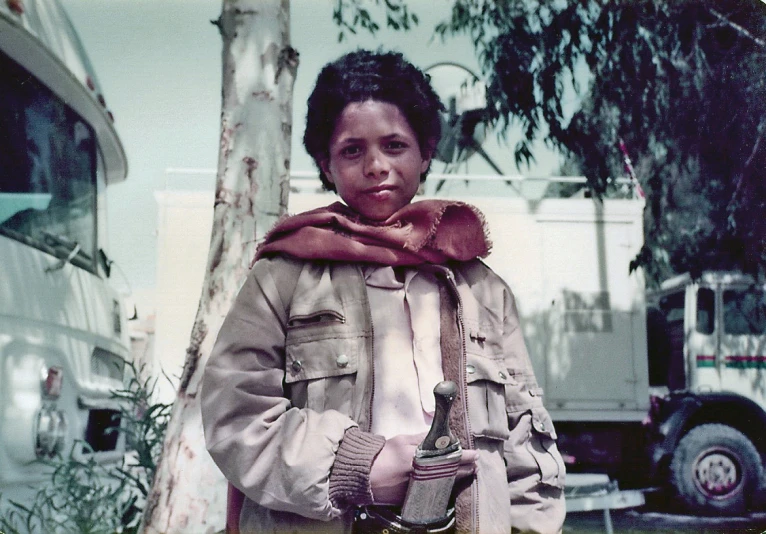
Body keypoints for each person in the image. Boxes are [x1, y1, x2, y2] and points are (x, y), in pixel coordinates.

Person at [201, 49, 566, 534]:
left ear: (426, 153)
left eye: (394, 145)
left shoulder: (482, 289)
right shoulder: (283, 276)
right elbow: (237, 415)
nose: (375, 165)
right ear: (325, 163)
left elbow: (526, 444)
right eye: (352, 150)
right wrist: (358, 466)